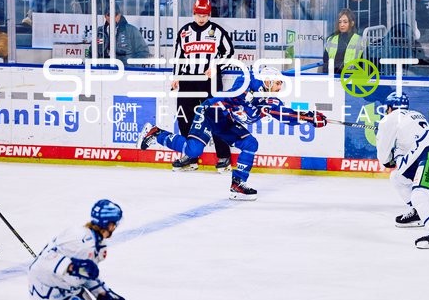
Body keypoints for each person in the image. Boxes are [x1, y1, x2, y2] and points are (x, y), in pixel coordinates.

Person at [137, 66, 328, 200]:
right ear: (268, 81)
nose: (280, 88)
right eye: (278, 83)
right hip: (210, 113)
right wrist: (249, 93)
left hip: (226, 122)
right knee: (193, 151)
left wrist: (309, 117)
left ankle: (237, 184)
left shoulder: (269, 100)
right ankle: (155, 133)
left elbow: (284, 114)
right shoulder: (247, 85)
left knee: (250, 143)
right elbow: (242, 83)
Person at [28, 199, 128, 300]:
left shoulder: (98, 244)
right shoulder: (78, 238)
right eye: (114, 223)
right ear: (108, 224)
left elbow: (88, 275)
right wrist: (71, 266)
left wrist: (105, 295)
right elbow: (44, 261)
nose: (115, 227)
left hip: (68, 288)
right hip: (49, 293)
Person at [375, 91, 429, 249]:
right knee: (397, 177)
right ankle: (417, 212)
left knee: (419, 194)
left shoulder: (389, 120)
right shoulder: (414, 115)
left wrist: (388, 157)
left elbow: (384, 156)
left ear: (389, 108)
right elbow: (409, 146)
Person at [170, 0, 235, 172]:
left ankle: (224, 157)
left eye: (204, 15)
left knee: (215, 118)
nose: (201, 18)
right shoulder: (184, 32)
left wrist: (215, 66)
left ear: (209, 14)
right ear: (193, 13)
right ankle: (190, 157)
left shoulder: (218, 31)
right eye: (198, 14)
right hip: (188, 80)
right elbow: (178, 56)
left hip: (210, 82)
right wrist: (175, 76)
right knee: (185, 119)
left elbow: (229, 53)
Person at [322, 8, 365, 73]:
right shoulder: (331, 39)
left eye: (345, 22)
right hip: (332, 76)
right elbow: (325, 61)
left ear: (352, 23)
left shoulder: (360, 41)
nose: (342, 25)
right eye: (340, 22)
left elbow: (364, 64)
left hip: (351, 78)